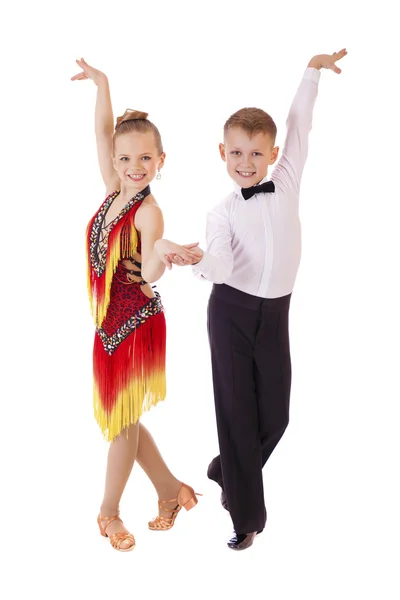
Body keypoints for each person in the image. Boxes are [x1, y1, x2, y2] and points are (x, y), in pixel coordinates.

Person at [165, 49, 348, 550]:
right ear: (221, 153)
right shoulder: (221, 213)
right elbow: (221, 266)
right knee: (237, 414)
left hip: (277, 313)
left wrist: (312, 72)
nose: (246, 163)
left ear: (271, 155)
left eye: (256, 153)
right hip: (231, 313)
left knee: (276, 415)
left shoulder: (286, 181)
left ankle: (229, 467)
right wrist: (196, 260)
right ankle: (246, 518)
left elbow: (300, 125)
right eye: (237, 152)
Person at [72, 58, 200, 552]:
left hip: (136, 322)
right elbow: (104, 130)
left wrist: (165, 252)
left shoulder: (149, 211)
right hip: (107, 323)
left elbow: (146, 274)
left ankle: (108, 514)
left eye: (144, 160)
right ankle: (172, 491)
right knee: (123, 417)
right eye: (125, 159)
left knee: (122, 420)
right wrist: (102, 84)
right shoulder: (112, 192)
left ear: (161, 160)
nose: (132, 168)